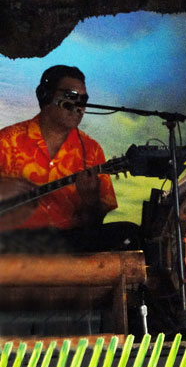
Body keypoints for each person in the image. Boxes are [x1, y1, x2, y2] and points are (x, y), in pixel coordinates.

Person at [0, 65, 136, 253]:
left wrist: (91, 200)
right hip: (14, 242)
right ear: (45, 95)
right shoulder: (7, 141)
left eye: (84, 99)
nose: (79, 104)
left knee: (129, 233)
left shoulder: (92, 150)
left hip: (67, 243)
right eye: (71, 95)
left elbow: (93, 228)